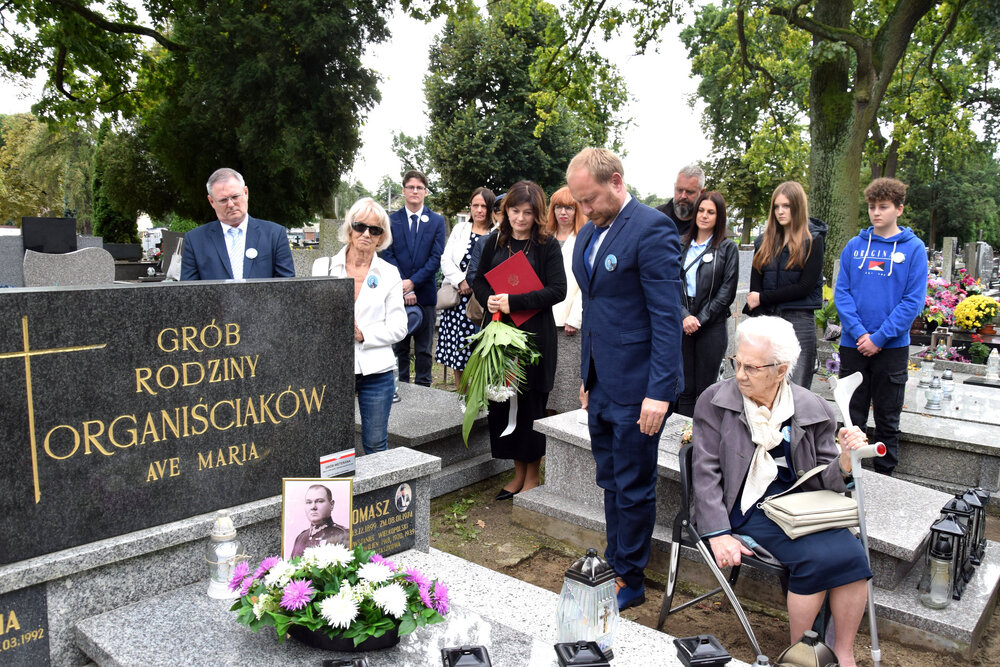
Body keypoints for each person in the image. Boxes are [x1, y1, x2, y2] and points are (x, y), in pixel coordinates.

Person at [692, 316, 872, 667]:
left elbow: (825, 479)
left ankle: (844, 655)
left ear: (781, 370)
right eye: (737, 363)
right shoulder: (715, 401)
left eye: (752, 367)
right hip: (746, 506)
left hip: (801, 505)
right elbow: (705, 473)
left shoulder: (811, 407)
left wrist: (846, 462)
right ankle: (801, 657)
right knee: (815, 560)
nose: (741, 374)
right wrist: (718, 534)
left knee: (853, 556)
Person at [568, 148, 684, 611]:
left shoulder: (652, 229)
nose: (584, 209)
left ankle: (631, 579)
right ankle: (615, 562)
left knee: (634, 485)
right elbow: (596, 309)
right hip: (601, 383)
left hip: (640, 390)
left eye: (590, 199)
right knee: (610, 480)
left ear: (616, 182)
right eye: (579, 201)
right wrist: (587, 376)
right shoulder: (589, 234)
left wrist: (659, 391)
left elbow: (666, 319)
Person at [472, 181, 566, 501]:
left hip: (535, 338)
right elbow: (480, 280)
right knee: (503, 404)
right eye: (514, 211)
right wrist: (491, 301)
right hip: (501, 337)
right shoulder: (495, 242)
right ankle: (516, 473)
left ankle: (533, 476)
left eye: (527, 212)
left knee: (529, 407)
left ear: (538, 213)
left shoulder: (547, 245)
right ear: (505, 210)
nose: (520, 218)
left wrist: (515, 301)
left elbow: (557, 290)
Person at [834, 178, 927, 476]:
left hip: (891, 349)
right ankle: (850, 475)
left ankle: (885, 478)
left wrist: (880, 337)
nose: (876, 213)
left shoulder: (913, 249)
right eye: (872, 207)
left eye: (883, 207)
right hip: (854, 345)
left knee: (888, 418)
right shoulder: (855, 246)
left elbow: (912, 301)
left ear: (899, 209)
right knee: (852, 416)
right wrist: (861, 334)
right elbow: (842, 293)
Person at [312, 198, 407, 454]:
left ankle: (377, 495)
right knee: (331, 444)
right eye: (360, 226)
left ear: (381, 237)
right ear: (349, 229)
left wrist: (363, 334)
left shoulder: (389, 273)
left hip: (376, 370)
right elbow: (311, 318)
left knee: (376, 443)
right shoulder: (323, 267)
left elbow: (399, 327)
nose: (366, 234)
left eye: (374, 230)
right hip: (332, 369)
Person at [745, 181, 826, 388]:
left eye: (786, 206)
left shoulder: (813, 240)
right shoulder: (763, 241)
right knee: (765, 384)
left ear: (798, 207)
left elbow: (805, 286)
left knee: (797, 388)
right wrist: (761, 306)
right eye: (776, 206)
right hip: (768, 318)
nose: (780, 212)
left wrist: (762, 298)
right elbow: (756, 284)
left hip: (799, 318)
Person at [382, 170, 446, 387]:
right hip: (397, 293)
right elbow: (387, 255)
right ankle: (399, 388)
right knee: (399, 347)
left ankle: (423, 391)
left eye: (420, 187)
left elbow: (436, 258)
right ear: (403, 190)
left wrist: (413, 283)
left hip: (425, 295)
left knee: (424, 350)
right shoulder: (391, 221)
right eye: (411, 187)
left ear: (425, 192)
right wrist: (404, 287)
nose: (415, 191)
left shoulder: (436, 221)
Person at [677, 191, 739, 417]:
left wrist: (699, 319)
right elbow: (670, 283)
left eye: (710, 212)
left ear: (719, 216)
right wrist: (684, 315)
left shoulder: (727, 248)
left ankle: (702, 442)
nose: (704, 216)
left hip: (711, 324)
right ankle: (680, 438)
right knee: (684, 387)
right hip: (683, 321)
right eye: (701, 210)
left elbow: (727, 291)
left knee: (706, 389)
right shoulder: (681, 244)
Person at [181, 167, 295, 280]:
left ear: (246, 193)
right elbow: (188, 291)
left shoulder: (274, 234)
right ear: (211, 201)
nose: (230, 204)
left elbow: (286, 286)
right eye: (223, 200)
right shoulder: (195, 240)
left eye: (235, 197)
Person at [437, 188, 496, 387]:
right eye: (475, 205)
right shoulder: (460, 229)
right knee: (458, 349)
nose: (479, 210)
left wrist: (473, 284)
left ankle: (480, 394)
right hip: (457, 297)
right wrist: (461, 281)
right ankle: (462, 393)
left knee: (478, 347)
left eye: (484, 206)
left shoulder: (496, 233)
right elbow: (445, 259)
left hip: (480, 299)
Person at [545, 186, 585, 336]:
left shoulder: (584, 239)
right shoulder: (544, 239)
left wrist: (575, 318)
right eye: (558, 207)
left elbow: (586, 283)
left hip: (568, 321)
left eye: (569, 208)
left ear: (577, 211)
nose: (562, 212)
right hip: (543, 315)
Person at [291, 484, 350, 557]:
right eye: (309, 502)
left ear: (331, 505)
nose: (313, 507)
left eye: (319, 501)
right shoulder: (301, 537)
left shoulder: (344, 534)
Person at [656, 164, 705, 239]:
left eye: (689, 192)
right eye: (679, 190)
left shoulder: (706, 224)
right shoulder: (656, 216)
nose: (683, 196)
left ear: (701, 192)